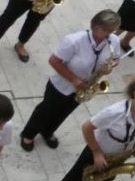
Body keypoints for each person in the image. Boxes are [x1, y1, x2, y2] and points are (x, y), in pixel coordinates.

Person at [19, 10, 122, 151]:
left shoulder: (113, 41)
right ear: (96, 27)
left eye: (112, 31)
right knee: (45, 110)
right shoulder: (74, 40)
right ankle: (28, 134)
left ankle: (47, 132)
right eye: (107, 31)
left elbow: (115, 58)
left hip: (85, 86)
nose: (110, 35)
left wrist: (110, 67)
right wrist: (74, 80)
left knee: (64, 112)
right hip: (62, 85)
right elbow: (54, 61)